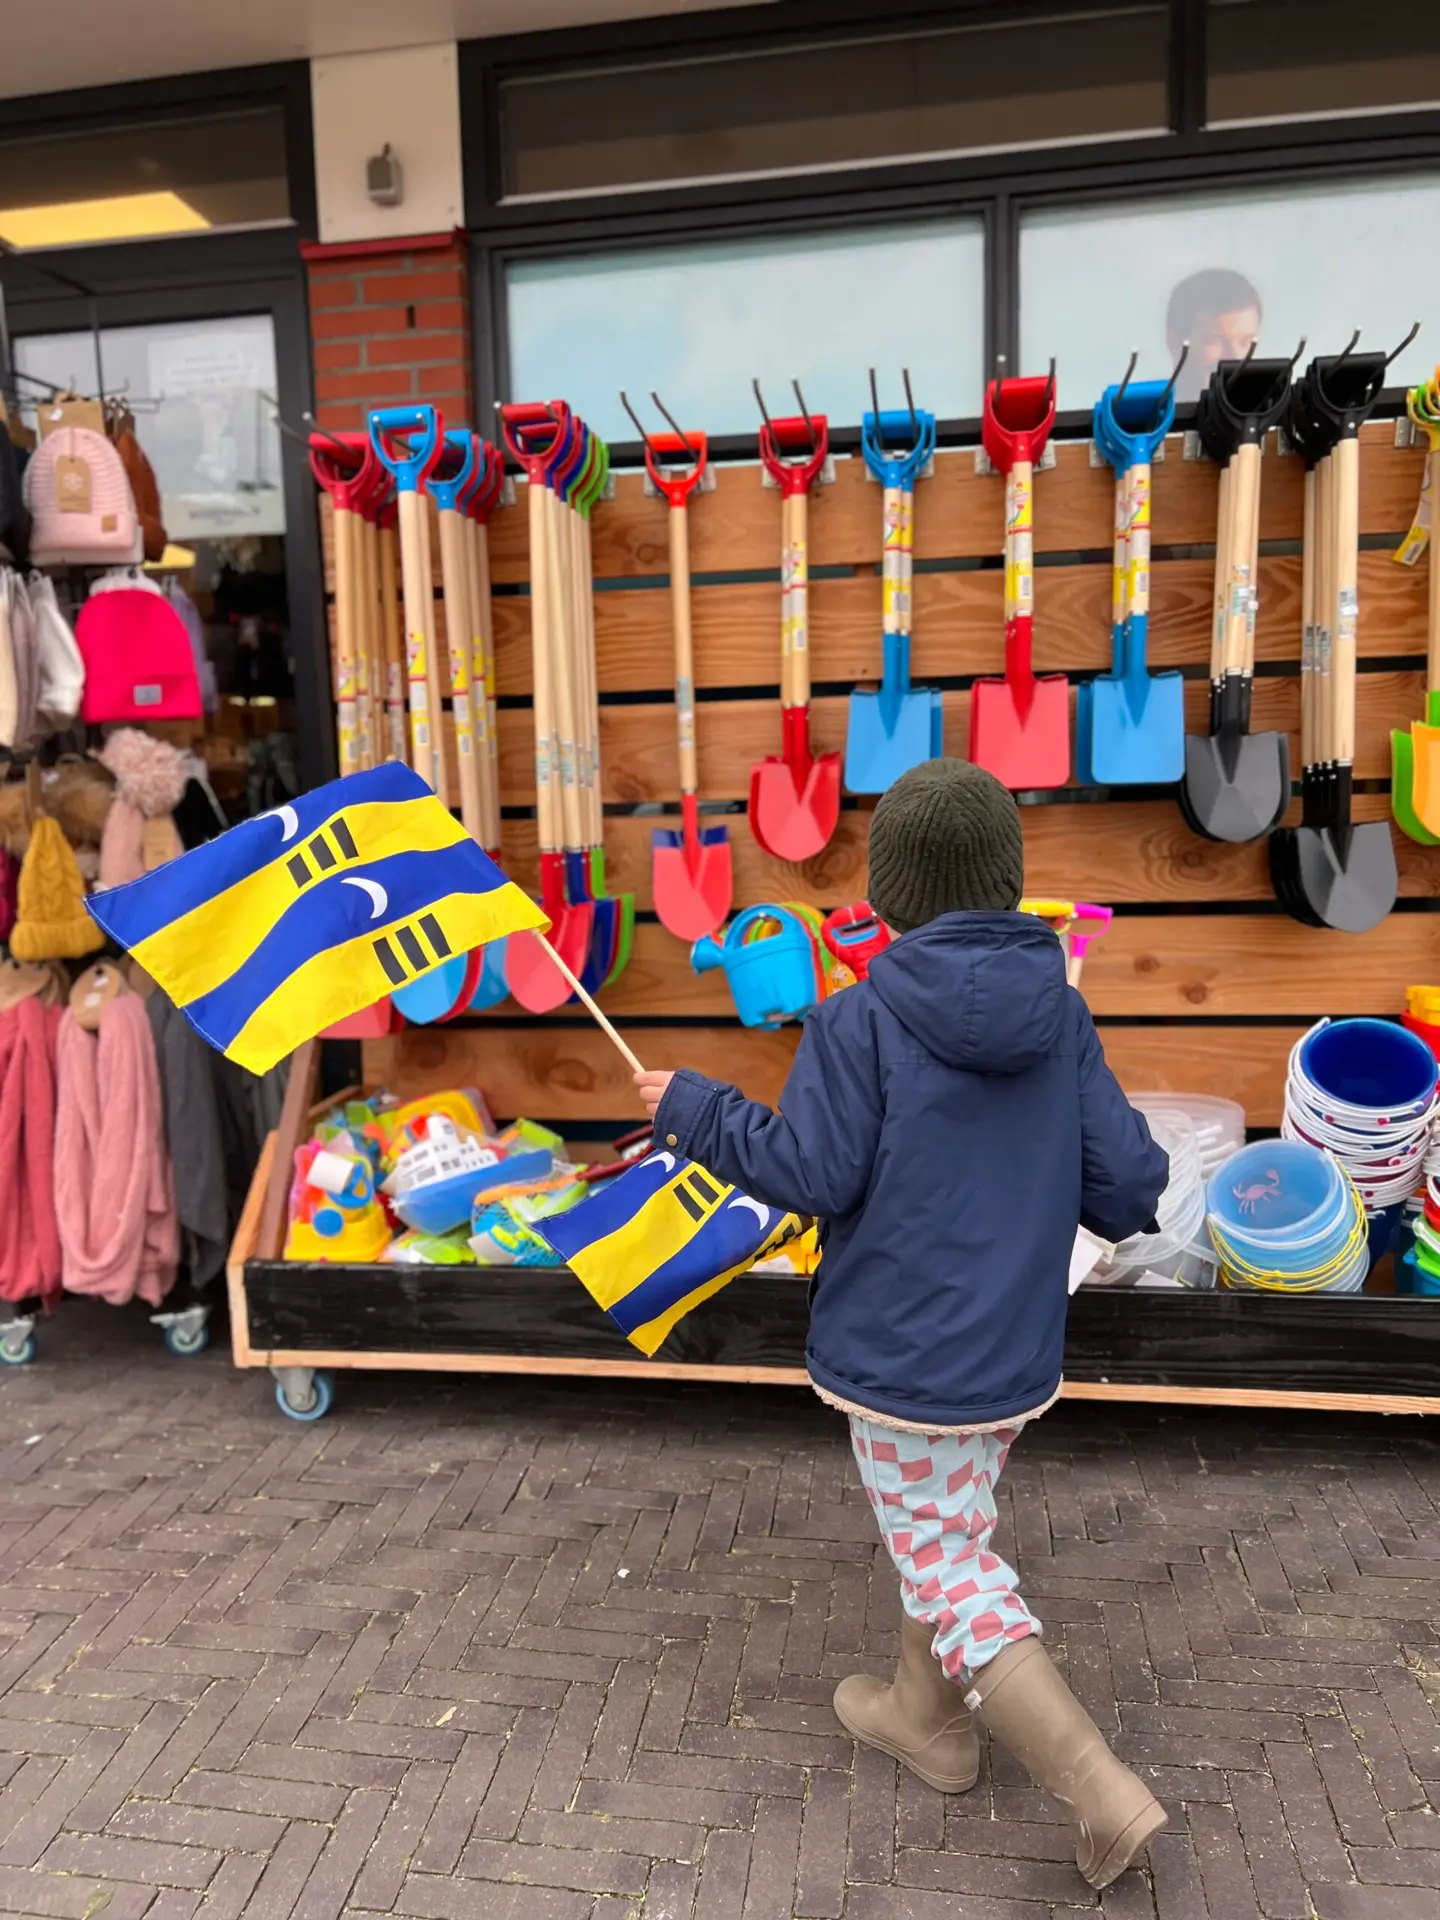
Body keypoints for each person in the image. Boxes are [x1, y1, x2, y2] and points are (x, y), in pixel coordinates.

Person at [634, 757, 1170, 1892]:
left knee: (947, 1566)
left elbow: (810, 1172)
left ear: (886, 897)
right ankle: (927, 1721)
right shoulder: (1061, 1016)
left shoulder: (857, 1021)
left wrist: (696, 1109)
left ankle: (1100, 1791)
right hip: (1015, 1359)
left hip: (899, 1362)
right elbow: (1127, 1187)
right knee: (950, 1534)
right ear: (1010, 884)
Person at [1166, 268, 1262, 403]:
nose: (1235, 357)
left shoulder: (1280, 421)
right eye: (1214, 341)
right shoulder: (1141, 421)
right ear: (1175, 344)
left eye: (1245, 342)